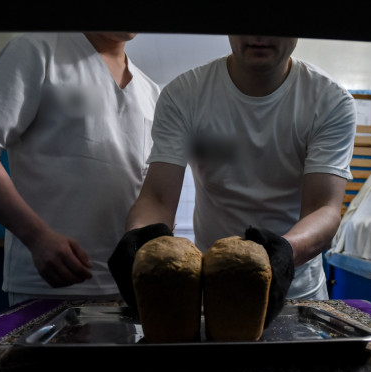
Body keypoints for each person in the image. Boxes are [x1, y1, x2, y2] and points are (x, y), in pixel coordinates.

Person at [109, 35, 356, 326]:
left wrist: (283, 255)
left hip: (296, 292)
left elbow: (323, 208)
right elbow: (158, 199)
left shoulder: (329, 100)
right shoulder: (185, 93)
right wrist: (140, 240)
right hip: (213, 291)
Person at [0, 32, 160, 305]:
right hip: (51, 283)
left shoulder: (149, 91)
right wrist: (36, 237)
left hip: (129, 287)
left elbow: (149, 188)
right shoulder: (36, 52)